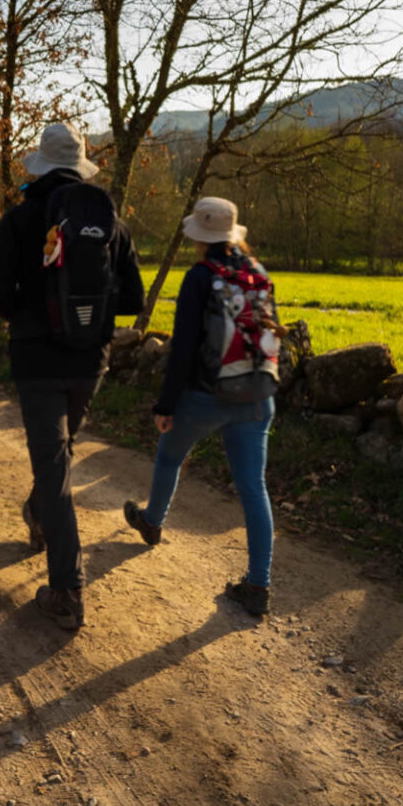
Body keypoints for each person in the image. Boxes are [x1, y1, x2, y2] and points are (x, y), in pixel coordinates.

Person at [0, 121, 144, 630]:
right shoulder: (108, 220)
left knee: (54, 465)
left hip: (37, 361)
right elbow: (134, 300)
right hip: (89, 361)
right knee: (59, 456)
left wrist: (29, 320)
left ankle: (68, 591)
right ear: (79, 166)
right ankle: (37, 513)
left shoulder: (22, 216)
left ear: (42, 165)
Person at [123, 196, 279, 618]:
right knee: (253, 489)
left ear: (200, 238)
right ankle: (258, 585)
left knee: (170, 455)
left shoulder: (199, 278)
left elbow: (184, 350)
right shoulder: (258, 273)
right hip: (258, 397)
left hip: (207, 397)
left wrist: (166, 405)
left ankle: (152, 522)